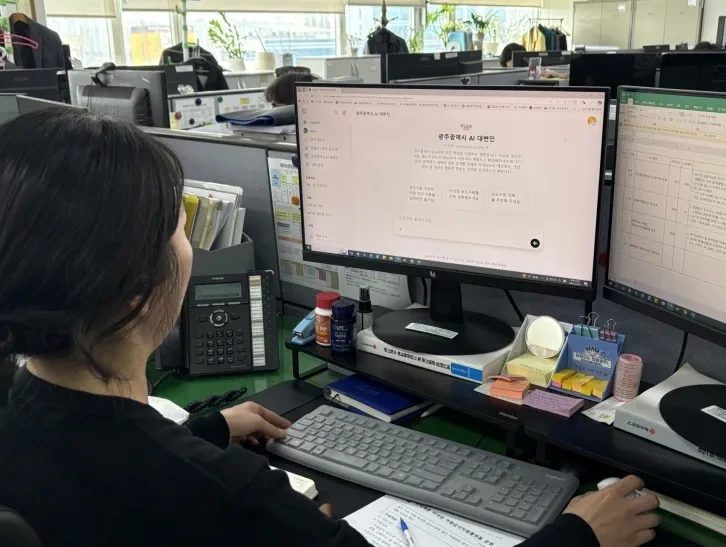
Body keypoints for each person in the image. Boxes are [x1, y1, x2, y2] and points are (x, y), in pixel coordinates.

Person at [0, 109, 661, 547]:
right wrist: (579, 536)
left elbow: (105, 467)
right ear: (137, 292)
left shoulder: (17, 416)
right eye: (178, 228)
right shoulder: (234, 498)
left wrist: (205, 431)